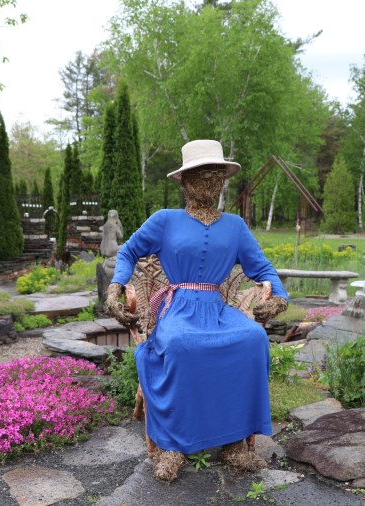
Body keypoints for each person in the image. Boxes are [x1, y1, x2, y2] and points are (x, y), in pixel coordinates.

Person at [106, 140, 288, 482]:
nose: (210, 181)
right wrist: (115, 287)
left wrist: (279, 296)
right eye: (201, 174)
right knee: (179, 344)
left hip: (216, 309)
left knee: (252, 338)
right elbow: (128, 251)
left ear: (223, 179)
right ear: (185, 181)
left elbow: (263, 268)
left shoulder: (235, 226)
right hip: (177, 308)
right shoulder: (165, 220)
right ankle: (173, 444)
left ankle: (234, 441)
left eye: (216, 174)